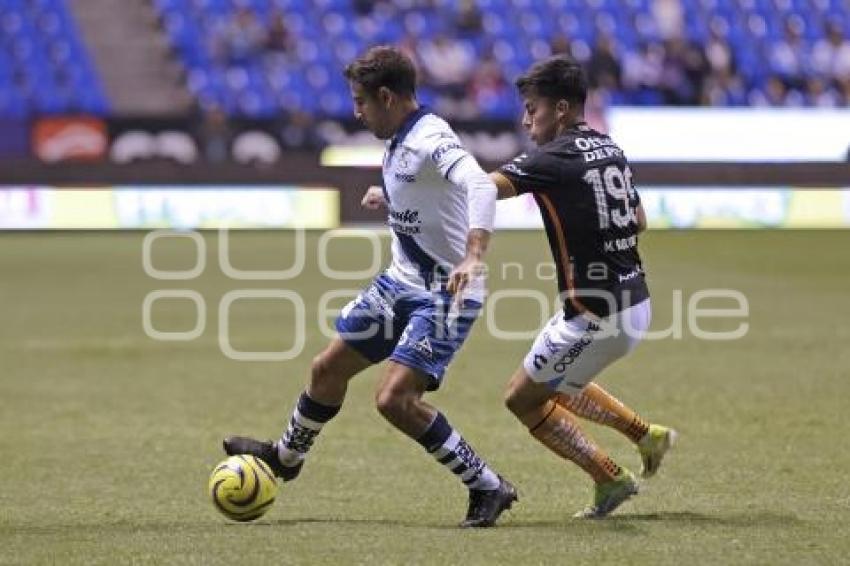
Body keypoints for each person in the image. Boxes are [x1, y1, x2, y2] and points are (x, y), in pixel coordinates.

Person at [223, 46, 517, 528]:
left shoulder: (430, 136)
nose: (356, 111)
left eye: (360, 101)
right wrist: (393, 197)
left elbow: (481, 186)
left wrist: (475, 254)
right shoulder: (399, 136)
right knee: (326, 370)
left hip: (447, 292)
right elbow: (427, 194)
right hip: (399, 281)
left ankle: (488, 485)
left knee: (394, 401)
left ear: (386, 96)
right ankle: (285, 460)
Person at [488, 55, 677, 518]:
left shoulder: (554, 157)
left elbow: (482, 189)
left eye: (532, 108)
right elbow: (640, 220)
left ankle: (610, 478)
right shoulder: (607, 146)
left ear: (562, 108)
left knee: (523, 398)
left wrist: (404, 193)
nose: (525, 119)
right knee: (549, 381)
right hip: (629, 299)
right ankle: (645, 435)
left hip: (599, 313)